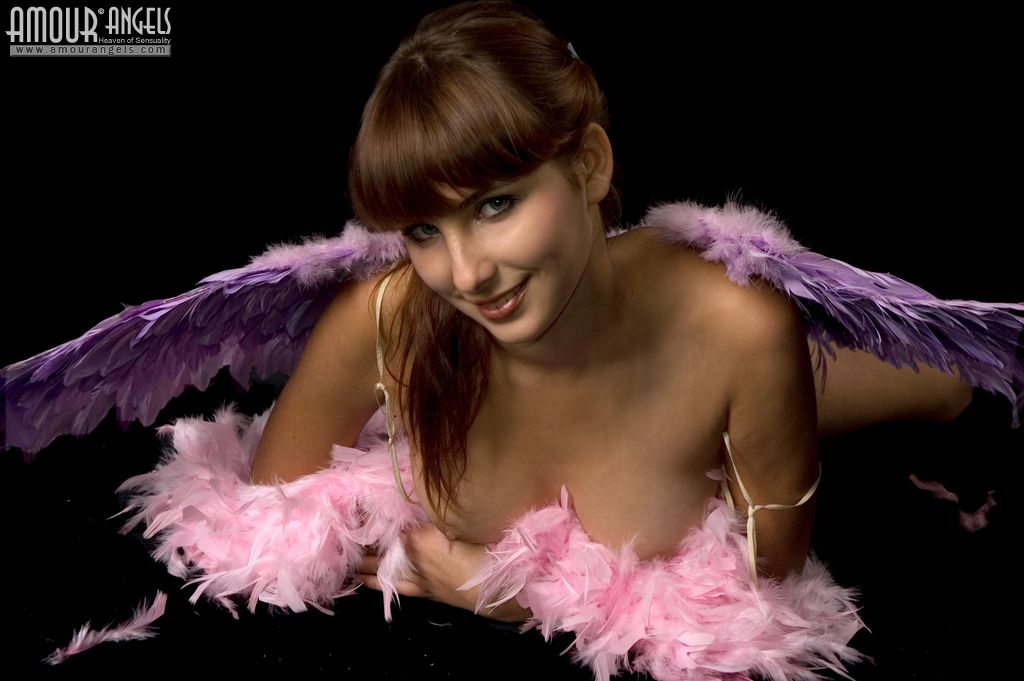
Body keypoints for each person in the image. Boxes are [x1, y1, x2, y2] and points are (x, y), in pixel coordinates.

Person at [6, 2, 1019, 678]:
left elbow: (759, 600)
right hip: (641, 358)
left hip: (703, 364)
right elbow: (266, 522)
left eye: (496, 204)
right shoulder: (392, 315)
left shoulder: (741, 326)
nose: (466, 273)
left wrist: (482, 586)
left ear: (589, 164)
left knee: (926, 386)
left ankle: (936, 388)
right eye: (424, 229)